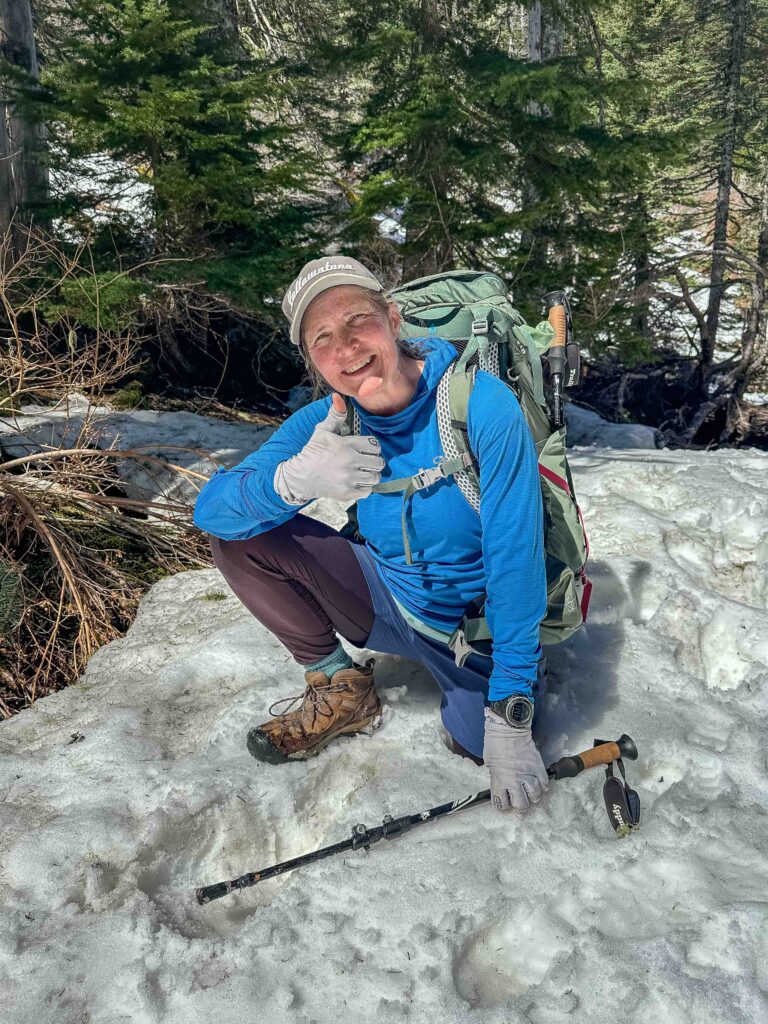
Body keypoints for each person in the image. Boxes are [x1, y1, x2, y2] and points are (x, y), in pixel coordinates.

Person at [193, 256, 550, 813]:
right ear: (313, 359)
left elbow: (517, 555)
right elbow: (212, 511)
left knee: (476, 748)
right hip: (388, 599)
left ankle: (487, 691)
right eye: (323, 338)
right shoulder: (328, 421)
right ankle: (339, 687)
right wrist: (291, 482)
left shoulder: (478, 403)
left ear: (393, 318)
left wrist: (511, 703)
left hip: (472, 622)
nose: (347, 347)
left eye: (358, 320)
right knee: (240, 536)